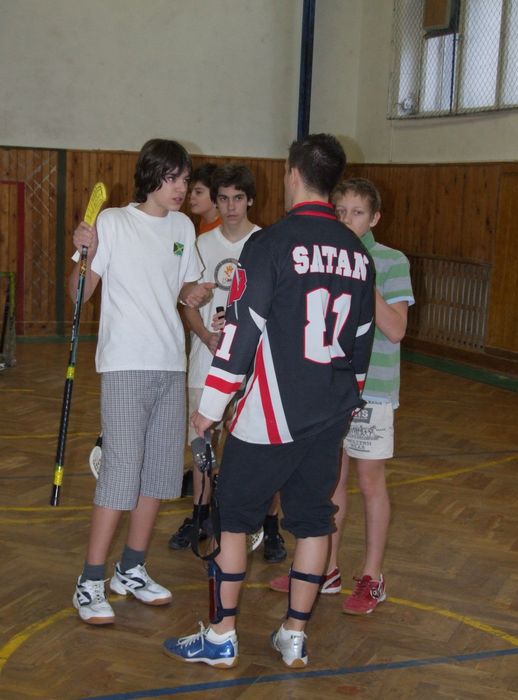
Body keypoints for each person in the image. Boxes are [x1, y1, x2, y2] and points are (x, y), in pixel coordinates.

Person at [163, 134, 375, 669]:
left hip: (268, 417)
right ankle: (294, 635)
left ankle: (221, 635)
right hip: (329, 415)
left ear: (293, 174)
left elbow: (239, 335)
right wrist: (345, 405)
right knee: (314, 522)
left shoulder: (270, 244)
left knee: (233, 521)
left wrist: (209, 409)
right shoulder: (357, 253)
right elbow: (361, 343)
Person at [70, 138, 214, 626]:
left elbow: (182, 288)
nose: (181, 189)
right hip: (125, 364)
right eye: (173, 178)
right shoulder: (113, 222)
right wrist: (83, 254)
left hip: (171, 363)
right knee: (121, 473)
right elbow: (78, 295)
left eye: (185, 180)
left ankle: (130, 569)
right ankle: (90, 579)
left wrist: (195, 293)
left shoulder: (182, 227)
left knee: (158, 475)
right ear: (151, 176)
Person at [270, 177, 414, 615]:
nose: (348, 220)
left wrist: (363, 277)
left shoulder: (390, 261)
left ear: (375, 218)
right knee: (329, 479)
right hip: (330, 386)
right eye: (342, 211)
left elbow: (396, 329)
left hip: (374, 390)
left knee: (369, 482)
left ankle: (372, 576)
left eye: (358, 212)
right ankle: (326, 569)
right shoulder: (326, 256)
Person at [168, 164, 287, 564]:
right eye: (223, 199)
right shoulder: (202, 244)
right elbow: (187, 303)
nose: (231, 206)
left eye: (238, 198)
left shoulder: (268, 243)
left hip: (255, 368)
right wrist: (207, 334)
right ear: (215, 202)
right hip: (207, 361)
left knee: (260, 450)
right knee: (202, 446)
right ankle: (200, 517)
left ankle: (269, 524)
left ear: (250, 200)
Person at [188, 163, 222, 234]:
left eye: (198, 192)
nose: (191, 196)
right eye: (190, 191)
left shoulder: (224, 230)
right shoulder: (204, 220)